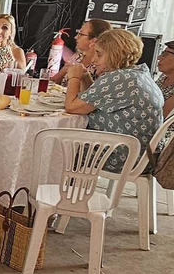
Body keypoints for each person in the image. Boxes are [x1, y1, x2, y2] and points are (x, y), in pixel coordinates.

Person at [64, 28, 164, 171]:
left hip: (123, 156)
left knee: (60, 146)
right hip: (142, 154)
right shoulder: (136, 73)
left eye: (99, 54)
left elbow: (72, 107)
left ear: (114, 54)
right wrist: (85, 77)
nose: (94, 59)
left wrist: (74, 77)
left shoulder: (120, 79)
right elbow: (94, 99)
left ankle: (56, 183)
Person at [51, 18, 112, 84]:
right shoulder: (78, 57)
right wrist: (63, 70)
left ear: (93, 41)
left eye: (80, 34)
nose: (75, 37)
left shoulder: (101, 66)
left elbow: (91, 90)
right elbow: (52, 83)